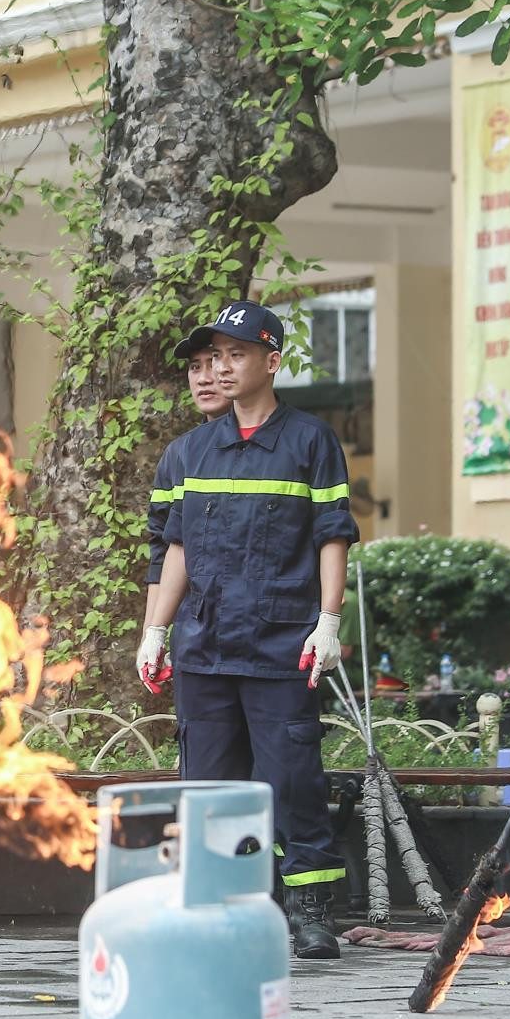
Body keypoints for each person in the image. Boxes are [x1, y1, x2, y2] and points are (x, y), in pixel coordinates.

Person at [136, 301, 358, 960]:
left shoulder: (309, 442)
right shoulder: (189, 453)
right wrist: (155, 630)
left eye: (237, 354)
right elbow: (173, 548)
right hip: (205, 648)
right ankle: (220, 906)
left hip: (280, 645)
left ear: (272, 362)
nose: (224, 367)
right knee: (207, 785)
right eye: (217, 356)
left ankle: (310, 911)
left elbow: (332, 536)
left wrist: (328, 621)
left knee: (293, 781)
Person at [141, 341, 234, 693]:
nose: (205, 378)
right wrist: (152, 636)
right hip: (197, 637)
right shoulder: (178, 455)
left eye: (213, 364)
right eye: (195, 367)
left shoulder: (289, 443)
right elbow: (162, 552)